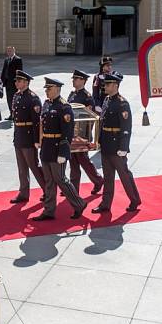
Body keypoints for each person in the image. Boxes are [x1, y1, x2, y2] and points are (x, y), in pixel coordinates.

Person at [31, 77, 88, 221]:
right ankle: (49, 210)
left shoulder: (64, 107)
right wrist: (39, 142)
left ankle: (79, 204)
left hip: (58, 148)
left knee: (61, 179)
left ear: (57, 89)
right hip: (46, 147)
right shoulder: (46, 104)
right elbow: (42, 125)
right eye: (46, 89)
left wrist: (63, 152)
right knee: (49, 181)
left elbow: (67, 132)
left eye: (49, 89)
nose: (47, 91)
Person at [92, 72, 141, 213]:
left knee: (124, 175)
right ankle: (105, 204)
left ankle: (134, 200)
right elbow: (102, 122)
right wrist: (99, 141)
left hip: (116, 144)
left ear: (115, 85)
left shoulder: (122, 103)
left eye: (107, 84)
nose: (105, 86)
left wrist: (124, 147)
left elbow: (126, 127)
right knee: (108, 177)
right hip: (106, 143)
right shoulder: (107, 99)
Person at [9, 70, 46, 203]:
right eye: (16, 80)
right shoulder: (17, 96)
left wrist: (37, 140)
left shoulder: (33, 98)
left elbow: (37, 123)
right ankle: (23, 193)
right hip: (19, 135)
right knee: (21, 168)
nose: (16, 83)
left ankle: (47, 190)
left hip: (29, 137)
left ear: (26, 82)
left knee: (34, 166)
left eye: (19, 81)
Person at [67, 69, 104, 194]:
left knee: (83, 161)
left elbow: (90, 118)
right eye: (73, 79)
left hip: (81, 135)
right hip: (72, 134)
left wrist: (83, 136)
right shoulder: (72, 94)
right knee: (73, 162)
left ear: (83, 80)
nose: (74, 81)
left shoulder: (87, 97)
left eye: (76, 79)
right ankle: (73, 187)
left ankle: (98, 180)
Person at [0, 46, 23, 120]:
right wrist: (1, 81)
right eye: (8, 51)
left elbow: (20, 72)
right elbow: (4, 71)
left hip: (14, 83)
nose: (9, 52)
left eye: (10, 51)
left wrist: (18, 82)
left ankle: (15, 114)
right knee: (9, 99)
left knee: (14, 99)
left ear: (14, 50)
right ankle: (11, 114)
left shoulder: (18, 59)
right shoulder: (6, 60)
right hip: (7, 83)